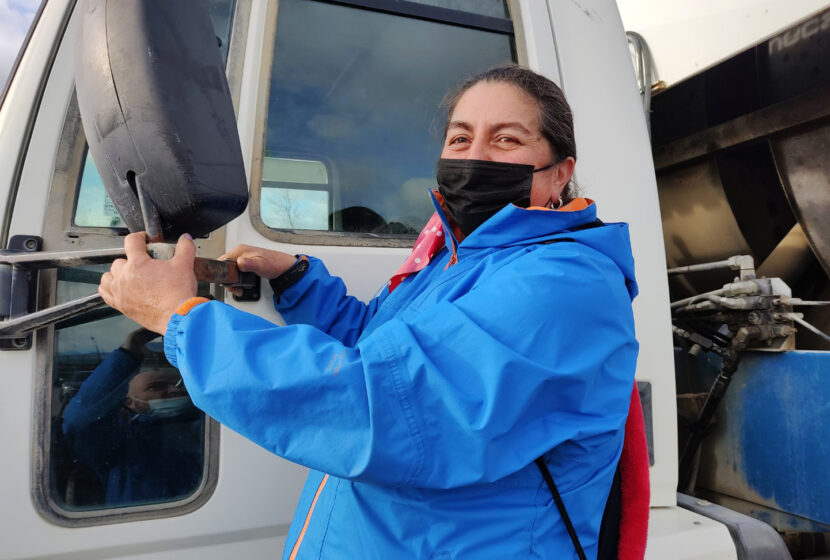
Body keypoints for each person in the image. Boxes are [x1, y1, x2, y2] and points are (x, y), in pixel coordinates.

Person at [98, 64, 643, 559]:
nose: (475, 155)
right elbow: (374, 343)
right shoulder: (455, 262)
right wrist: (295, 279)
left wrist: (177, 316)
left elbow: (381, 402)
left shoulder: (565, 282)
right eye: (460, 138)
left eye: (506, 140)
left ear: (556, 172)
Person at [62, 328, 204, 506]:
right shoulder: (121, 439)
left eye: (178, 383)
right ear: (130, 402)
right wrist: (129, 353)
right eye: (156, 387)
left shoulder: (206, 427)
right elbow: (79, 422)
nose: (174, 390)